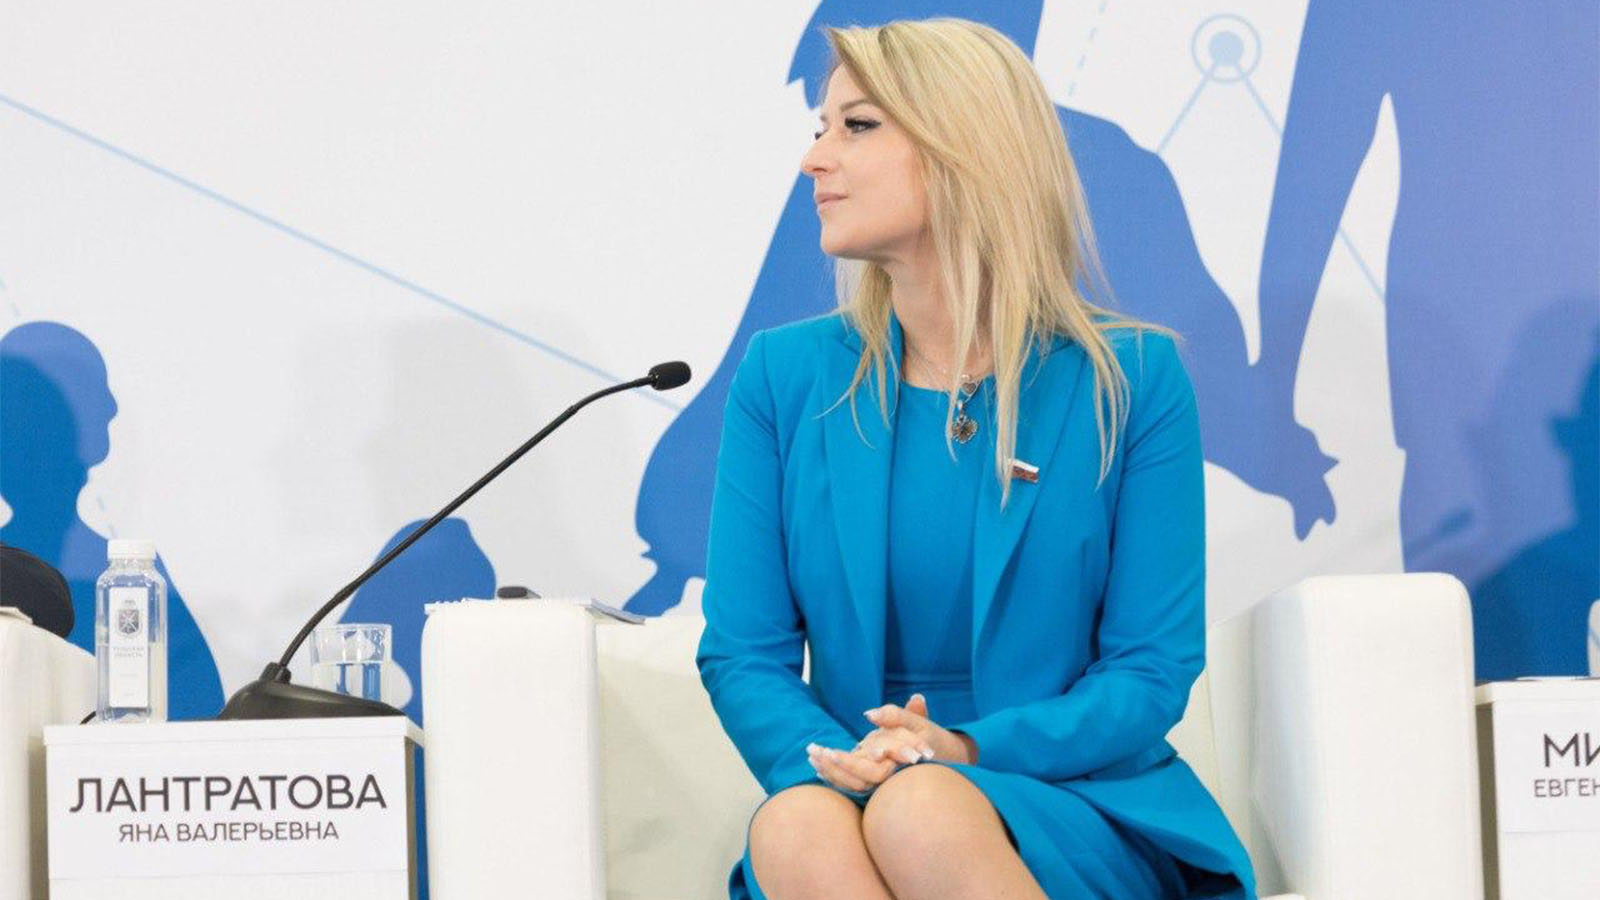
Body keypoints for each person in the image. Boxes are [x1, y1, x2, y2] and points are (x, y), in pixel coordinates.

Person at [695, 18, 1255, 900]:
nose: (814, 160)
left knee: (922, 809)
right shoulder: (782, 377)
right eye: (821, 128)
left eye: (857, 126)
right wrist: (846, 761)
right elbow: (743, 654)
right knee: (795, 825)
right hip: (855, 793)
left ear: (965, 147)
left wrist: (960, 750)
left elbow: (1149, 671)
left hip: (1071, 795)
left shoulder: (1134, 379)